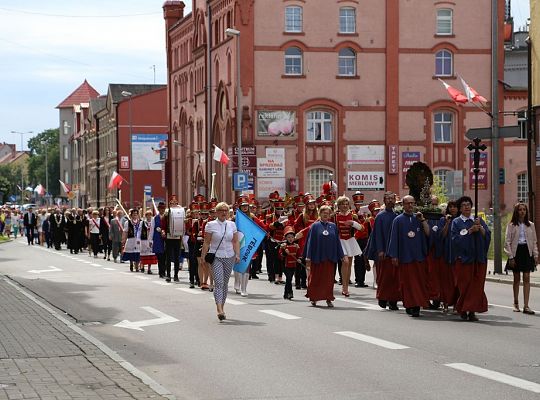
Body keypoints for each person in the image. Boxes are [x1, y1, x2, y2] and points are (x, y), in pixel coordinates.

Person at [387, 195, 430, 318]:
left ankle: (416, 306)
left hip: (418, 256)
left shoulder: (419, 218)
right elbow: (393, 238)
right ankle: (409, 304)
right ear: (403, 205)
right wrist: (394, 255)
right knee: (407, 283)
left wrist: (423, 220)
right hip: (405, 256)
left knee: (419, 283)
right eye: (407, 203)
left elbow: (428, 233)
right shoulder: (398, 220)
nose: (410, 206)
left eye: (412, 203)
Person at [451, 196, 491, 322]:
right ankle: (463, 309)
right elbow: (455, 240)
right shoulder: (457, 222)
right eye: (463, 205)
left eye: (468, 204)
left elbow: (487, 236)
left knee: (476, 286)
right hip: (464, 259)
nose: (467, 207)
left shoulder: (477, 220)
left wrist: (481, 228)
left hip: (478, 258)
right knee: (464, 286)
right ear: (460, 208)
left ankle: (472, 311)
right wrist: (470, 231)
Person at [201, 202, 240, 321]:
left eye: (226, 210)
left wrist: (237, 254)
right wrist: (203, 256)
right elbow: (207, 242)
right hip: (216, 256)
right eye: (221, 210)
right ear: (217, 212)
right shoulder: (210, 225)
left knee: (225, 283)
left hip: (229, 256)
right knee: (218, 282)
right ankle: (219, 308)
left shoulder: (232, 225)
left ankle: (222, 307)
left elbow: (235, 241)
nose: (224, 213)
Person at [304, 205, 345, 308]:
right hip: (317, 256)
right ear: (320, 214)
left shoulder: (333, 226)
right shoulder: (315, 226)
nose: (326, 215)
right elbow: (310, 242)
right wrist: (308, 256)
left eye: (328, 213)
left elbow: (337, 242)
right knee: (316, 278)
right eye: (324, 213)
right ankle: (314, 297)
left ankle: (328, 298)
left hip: (330, 257)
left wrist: (341, 255)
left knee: (328, 280)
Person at [367, 194, 401, 310]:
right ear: (384, 201)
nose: (391, 200)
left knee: (395, 278)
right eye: (388, 199)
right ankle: (382, 298)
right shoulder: (380, 216)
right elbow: (377, 235)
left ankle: (393, 301)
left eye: (392, 198)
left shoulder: (398, 215)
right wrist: (380, 250)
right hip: (384, 252)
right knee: (384, 277)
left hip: (395, 251)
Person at [504, 202, 538, 315]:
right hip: (516, 252)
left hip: (527, 252)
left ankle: (526, 306)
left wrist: (536, 255)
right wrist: (511, 257)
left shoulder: (531, 225)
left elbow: (534, 242)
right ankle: (516, 303)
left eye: (524, 209)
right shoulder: (511, 225)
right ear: (516, 212)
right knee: (517, 278)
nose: (522, 211)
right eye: (520, 210)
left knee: (527, 277)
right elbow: (507, 242)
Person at [335, 195, 363, 297]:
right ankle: (344, 286)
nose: (345, 206)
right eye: (343, 204)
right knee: (345, 262)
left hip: (350, 241)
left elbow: (362, 228)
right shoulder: (335, 216)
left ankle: (346, 287)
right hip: (340, 241)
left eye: (347, 204)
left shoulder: (353, 216)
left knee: (349, 264)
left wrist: (353, 223)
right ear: (339, 206)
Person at [436, 201, 459, 313]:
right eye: (451, 207)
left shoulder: (460, 220)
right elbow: (441, 236)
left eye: (455, 207)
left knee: (456, 282)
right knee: (445, 281)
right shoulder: (443, 220)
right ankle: (444, 303)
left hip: (457, 256)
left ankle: (455, 304)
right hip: (445, 254)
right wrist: (447, 223)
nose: (453, 209)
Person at [161, 195, 185, 283]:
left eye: (175, 203)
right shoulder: (167, 213)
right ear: (170, 204)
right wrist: (163, 231)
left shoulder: (181, 212)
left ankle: (176, 275)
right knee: (168, 256)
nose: (174, 204)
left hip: (177, 237)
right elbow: (163, 225)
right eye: (172, 203)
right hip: (169, 237)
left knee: (177, 257)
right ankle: (168, 275)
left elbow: (183, 224)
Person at [280, 226, 301, 300]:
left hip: (293, 265)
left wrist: (299, 259)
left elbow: (299, 255)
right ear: (285, 238)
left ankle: (286, 294)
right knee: (289, 278)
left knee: (289, 279)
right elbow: (281, 256)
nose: (290, 239)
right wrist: (284, 252)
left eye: (292, 237)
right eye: (288, 237)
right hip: (285, 265)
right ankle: (290, 293)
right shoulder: (283, 246)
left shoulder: (296, 245)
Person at [140, 210, 157, 274]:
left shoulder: (153, 223)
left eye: (150, 215)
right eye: (147, 215)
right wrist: (138, 239)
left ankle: (149, 269)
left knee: (150, 255)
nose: (149, 216)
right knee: (144, 254)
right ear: (146, 216)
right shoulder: (142, 222)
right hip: (144, 240)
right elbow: (139, 231)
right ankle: (142, 266)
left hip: (150, 240)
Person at [152, 202, 167, 278]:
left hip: (165, 238)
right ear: (158, 209)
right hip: (158, 239)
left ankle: (164, 271)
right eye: (161, 209)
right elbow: (152, 229)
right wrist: (150, 240)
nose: (162, 210)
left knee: (165, 256)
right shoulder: (155, 218)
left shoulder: (166, 217)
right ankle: (161, 272)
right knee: (160, 256)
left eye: (163, 209)